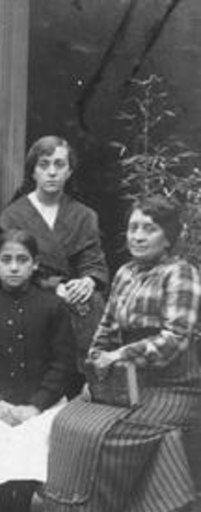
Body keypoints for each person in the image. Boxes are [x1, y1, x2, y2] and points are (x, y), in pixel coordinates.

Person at [44, 196, 201, 512]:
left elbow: (175, 338)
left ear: (168, 235)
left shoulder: (181, 273)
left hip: (171, 386)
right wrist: (97, 365)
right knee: (66, 421)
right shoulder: (126, 272)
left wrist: (120, 356)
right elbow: (106, 328)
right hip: (123, 384)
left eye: (149, 229)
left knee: (108, 435)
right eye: (133, 228)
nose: (138, 236)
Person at [0, 229, 76, 511]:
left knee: (33, 436)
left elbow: (63, 365)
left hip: (42, 404)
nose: (13, 267)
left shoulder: (54, 306)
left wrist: (35, 406)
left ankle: (21, 502)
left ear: (35, 264)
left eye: (22, 260)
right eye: (6, 259)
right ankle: (4, 500)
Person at [0, 136, 108, 387]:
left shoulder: (84, 215)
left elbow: (93, 261)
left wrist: (89, 281)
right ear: (33, 171)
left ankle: (89, 382)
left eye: (59, 165)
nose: (51, 172)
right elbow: (11, 266)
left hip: (75, 294)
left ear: (69, 171)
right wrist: (54, 286)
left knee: (92, 301)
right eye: (44, 164)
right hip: (30, 290)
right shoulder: (13, 215)